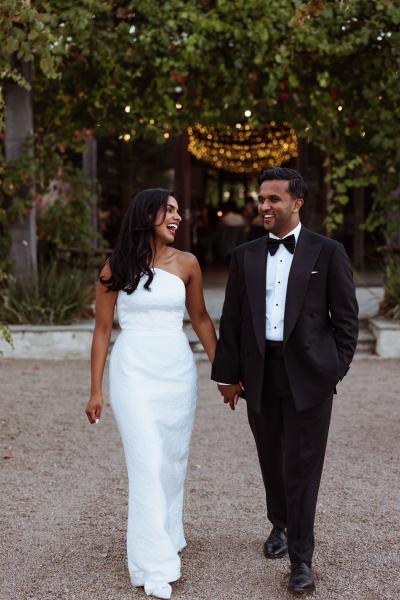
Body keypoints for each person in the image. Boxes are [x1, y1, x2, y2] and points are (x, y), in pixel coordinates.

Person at [211, 168, 358, 594]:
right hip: (259, 372)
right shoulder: (245, 255)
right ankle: (280, 522)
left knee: (303, 466)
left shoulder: (328, 252)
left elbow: (346, 321)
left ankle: (301, 559)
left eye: (274, 199)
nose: (264, 206)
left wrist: (332, 369)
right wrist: (227, 375)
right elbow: (232, 320)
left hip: (309, 374)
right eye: (261, 198)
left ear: (297, 203)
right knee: (271, 457)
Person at [85, 189, 217, 599]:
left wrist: (225, 373)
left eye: (178, 211)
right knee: (146, 462)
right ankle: (154, 564)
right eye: (169, 210)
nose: (178, 217)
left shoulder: (187, 264)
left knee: (171, 461)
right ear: (147, 215)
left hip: (176, 372)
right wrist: (95, 390)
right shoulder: (115, 268)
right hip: (133, 372)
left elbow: (200, 318)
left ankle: (168, 533)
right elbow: (102, 331)